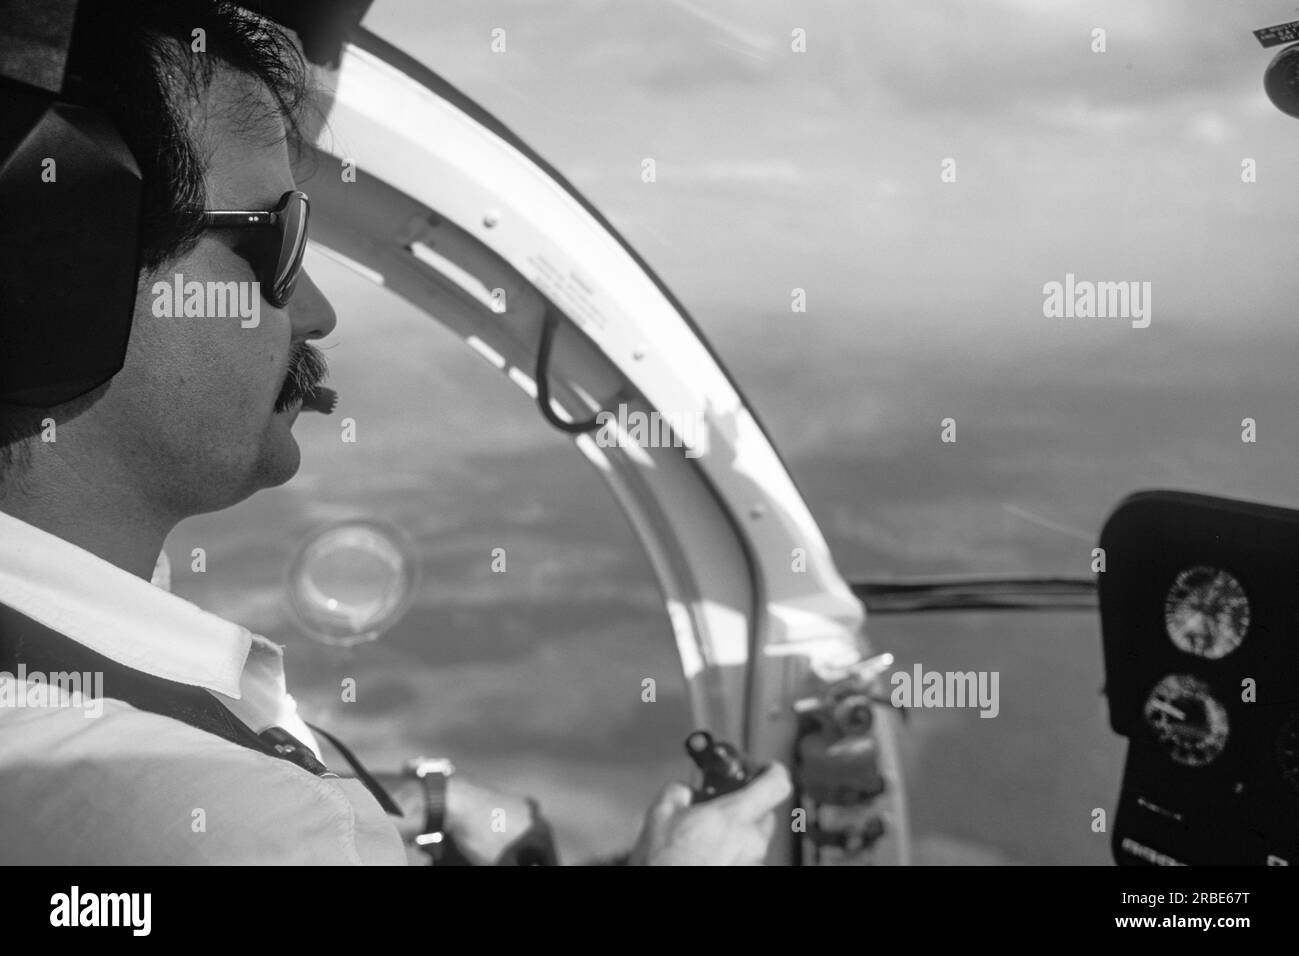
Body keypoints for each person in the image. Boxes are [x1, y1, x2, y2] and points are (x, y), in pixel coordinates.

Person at [0, 0, 789, 865]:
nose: (318, 313)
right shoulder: (236, 825)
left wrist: (413, 803)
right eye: (282, 240)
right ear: (58, 273)